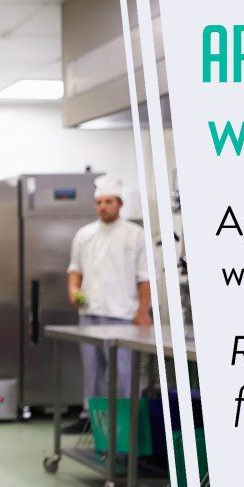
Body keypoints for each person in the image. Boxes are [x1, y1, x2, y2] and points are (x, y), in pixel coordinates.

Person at [67, 175, 154, 411]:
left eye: (108, 202)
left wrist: (143, 312)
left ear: (120, 204)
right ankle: (92, 420)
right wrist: (73, 290)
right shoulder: (84, 235)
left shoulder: (135, 235)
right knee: (92, 373)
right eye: (99, 202)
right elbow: (75, 270)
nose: (103, 207)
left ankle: (124, 423)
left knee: (122, 375)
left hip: (123, 316)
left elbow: (145, 278)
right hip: (89, 314)